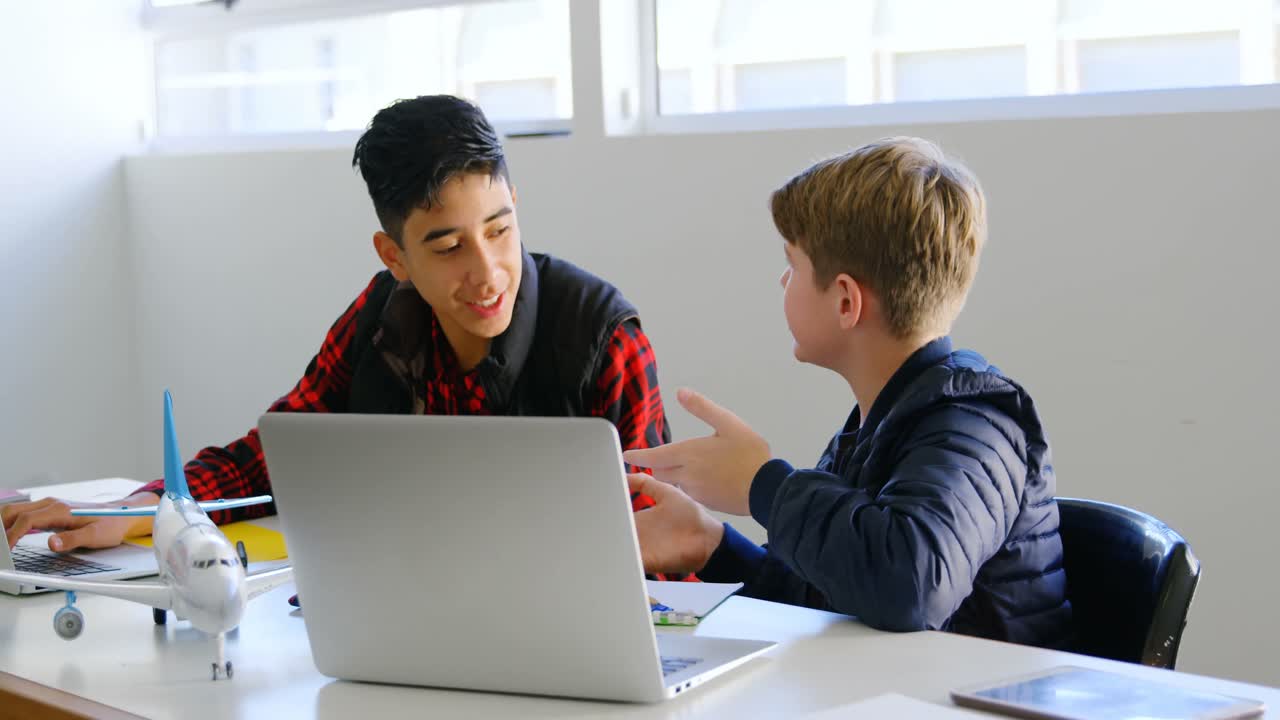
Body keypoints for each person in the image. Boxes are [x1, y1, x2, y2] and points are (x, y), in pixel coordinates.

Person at [4, 96, 675, 569]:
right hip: (415, 621)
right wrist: (149, 511)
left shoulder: (602, 337)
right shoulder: (382, 319)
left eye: (499, 230)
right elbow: (277, 456)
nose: (487, 272)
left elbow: (663, 544)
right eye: (447, 248)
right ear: (395, 258)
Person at [623, 137, 1072, 646]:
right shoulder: (882, 419)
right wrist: (712, 544)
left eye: (792, 264)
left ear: (844, 302)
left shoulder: (979, 423)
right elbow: (830, 607)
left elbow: (910, 587)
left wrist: (762, 485)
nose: (781, 279)